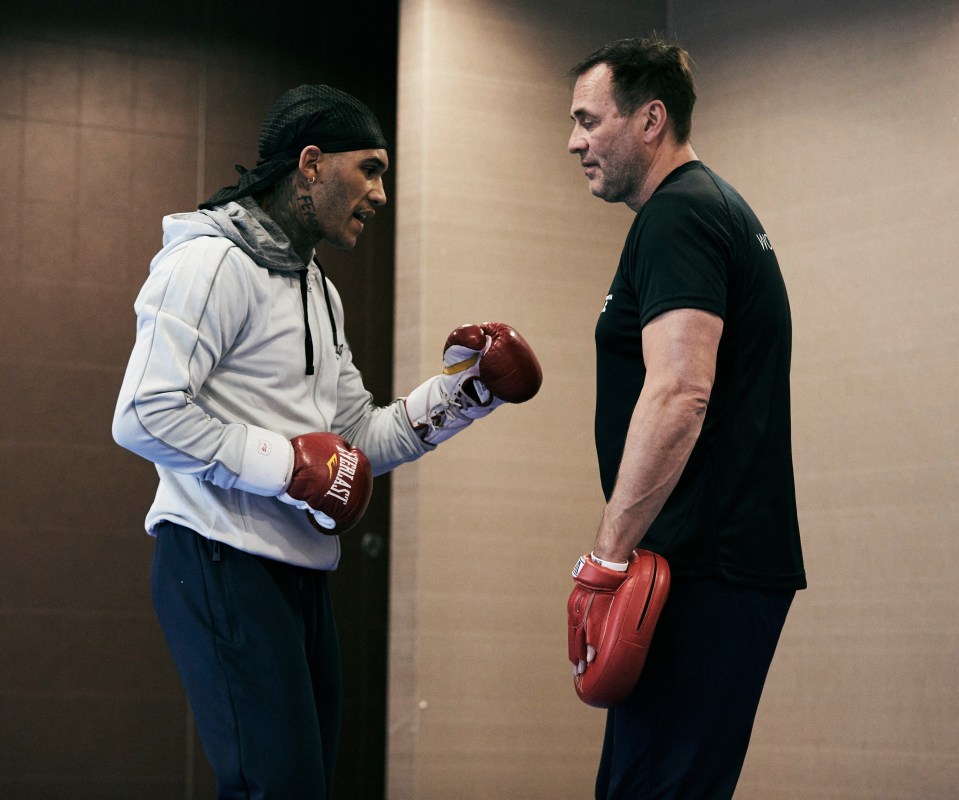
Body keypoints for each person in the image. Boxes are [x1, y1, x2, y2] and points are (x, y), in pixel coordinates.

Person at [112, 84, 540, 799]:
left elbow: (354, 438)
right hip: (219, 557)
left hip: (298, 571)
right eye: (368, 169)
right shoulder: (208, 262)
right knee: (274, 789)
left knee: (302, 787)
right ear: (310, 164)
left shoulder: (317, 288)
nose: (379, 193)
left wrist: (464, 395)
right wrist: (283, 465)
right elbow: (143, 414)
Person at [565, 36, 806, 799]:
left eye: (587, 119)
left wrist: (606, 558)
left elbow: (679, 393)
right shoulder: (707, 210)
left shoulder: (681, 216)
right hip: (710, 561)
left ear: (650, 118)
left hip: (703, 566)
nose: (572, 141)